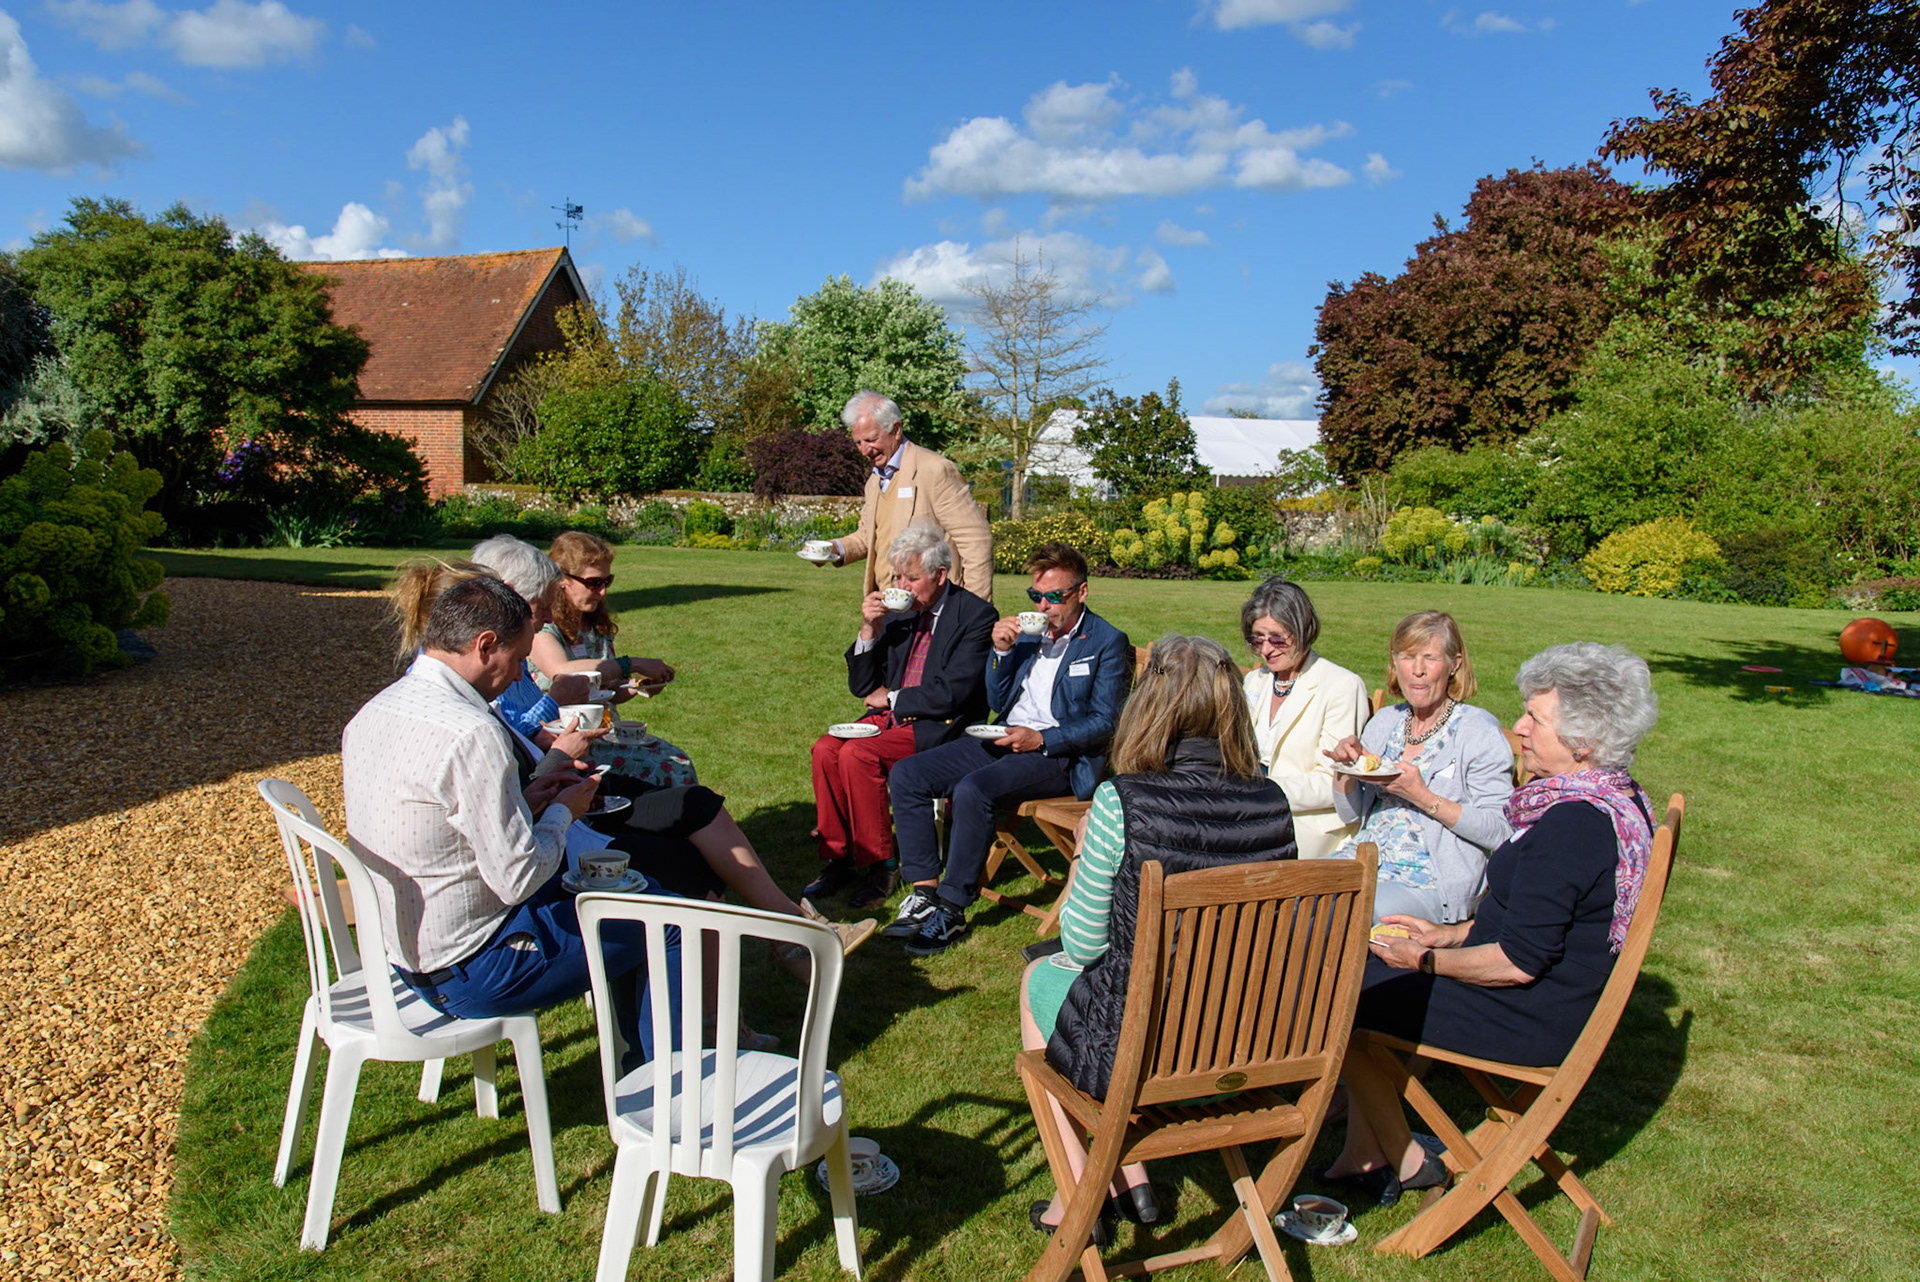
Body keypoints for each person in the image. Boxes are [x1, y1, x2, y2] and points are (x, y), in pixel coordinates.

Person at [392, 546, 876, 986]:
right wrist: (559, 766)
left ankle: (783, 938)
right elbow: (515, 846)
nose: (542, 623)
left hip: (553, 806)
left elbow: (518, 758)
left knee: (696, 806)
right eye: (539, 606)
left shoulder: (440, 692)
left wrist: (557, 757)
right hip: (501, 913)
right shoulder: (468, 713)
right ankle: (750, 977)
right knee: (685, 864)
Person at [1320, 642, 1659, 1207]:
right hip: (1553, 995)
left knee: (1342, 993)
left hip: (1531, 1014)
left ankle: (1405, 1159)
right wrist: (1448, 934)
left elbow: (1517, 962)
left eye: (1535, 718)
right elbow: (1543, 922)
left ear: (1583, 742)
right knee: (1360, 976)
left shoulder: (1574, 825)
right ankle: (1365, 1152)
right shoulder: (1611, 799)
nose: (1519, 727)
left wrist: (1423, 959)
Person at [1020, 634, 1298, 1235]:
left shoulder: (1122, 801)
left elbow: (1083, 945)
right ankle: (1130, 1174)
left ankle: (1079, 1196)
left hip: (1148, 1054)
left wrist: (1080, 861)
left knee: (1039, 976)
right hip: (1248, 1043)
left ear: (1147, 705)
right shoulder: (1272, 800)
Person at [342, 575, 676, 1061]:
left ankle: (643, 1061)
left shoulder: (376, 709)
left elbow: (446, 821)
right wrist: (563, 811)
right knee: (667, 920)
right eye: (519, 659)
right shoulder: (472, 732)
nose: (521, 676)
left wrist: (529, 798)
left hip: (406, 954)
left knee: (637, 891)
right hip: (471, 968)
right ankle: (672, 1084)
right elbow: (518, 878)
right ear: (484, 646)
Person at [884, 543, 1130, 956]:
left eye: (1055, 596)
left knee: (973, 790)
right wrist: (1000, 652)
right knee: (908, 774)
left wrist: (1042, 739)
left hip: (1056, 755)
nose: (1043, 606)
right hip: (1002, 735)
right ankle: (924, 891)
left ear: (1082, 592)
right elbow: (998, 699)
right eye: (1036, 596)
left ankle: (952, 909)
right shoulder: (1031, 635)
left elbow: (1106, 722)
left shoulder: (1106, 642)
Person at [805, 522, 996, 910]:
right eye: (897, 577)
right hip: (891, 718)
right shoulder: (899, 612)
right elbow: (862, 687)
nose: (901, 586)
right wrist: (869, 629)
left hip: (939, 726)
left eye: (911, 578)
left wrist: (892, 698)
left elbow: (952, 693)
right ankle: (839, 856)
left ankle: (882, 865)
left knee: (859, 755)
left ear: (940, 575)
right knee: (825, 749)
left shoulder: (975, 616)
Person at [1326, 611, 1515, 923]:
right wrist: (1345, 768)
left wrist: (1423, 797)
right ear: (1394, 661)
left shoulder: (1477, 730)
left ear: (1455, 664)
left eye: (1430, 658)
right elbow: (1350, 814)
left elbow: (1501, 831)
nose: (1417, 670)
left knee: (1338, 915)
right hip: (1365, 860)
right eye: (1408, 657)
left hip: (1427, 880)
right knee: (1289, 894)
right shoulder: (1386, 721)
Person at [533, 530, 696, 791]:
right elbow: (560, 671)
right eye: (593, 582)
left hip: (607, 733)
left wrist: (638, 687)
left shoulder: (594, 625)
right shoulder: (543, 625)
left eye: (607, 581)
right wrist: (631, 663)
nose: (602, 591)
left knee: (677, 761)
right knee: (670, 767)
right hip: (567, 743)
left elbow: (608, 692)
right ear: (563, 579)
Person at [1239, 578, 1370, 859]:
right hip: (1251, 809)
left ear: (1302, 630)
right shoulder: (1255, 681)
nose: (1265, 650)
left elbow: (1331, 781)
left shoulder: (1341, 686)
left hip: (1306, 825)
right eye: (1257, 639)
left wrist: (1262, 791)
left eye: (1277, 639)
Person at [823, 390, 993, 599]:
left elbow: (976, 540)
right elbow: (866, 537)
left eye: (871, 439)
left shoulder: (935, 470)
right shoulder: (874, 481)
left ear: (896, 429)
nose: (865, 450)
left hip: (933, 606)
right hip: (887, 604)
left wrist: (975, 608)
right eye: (858, 442)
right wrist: (833, 549)